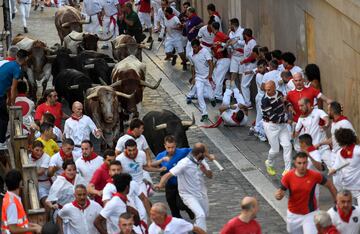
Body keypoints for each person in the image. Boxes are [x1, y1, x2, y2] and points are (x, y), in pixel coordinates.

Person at [155, 143, 214, 232]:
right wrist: (160, 184)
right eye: (204, 154)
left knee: (204, 215)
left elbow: (210, 176)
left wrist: (205, 170)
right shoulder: (184, 163)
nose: (205, 155)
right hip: (188, 194)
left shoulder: (202, 161)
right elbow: (168, 174)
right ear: (199, 154)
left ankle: (196, 229)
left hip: (202, 193)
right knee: (200, 215)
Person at [275, 152, 337, 234]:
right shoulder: (288, 176)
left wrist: (337, 201)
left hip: (310, 214)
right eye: (299, 163)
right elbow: (280, 191)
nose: (302, 166)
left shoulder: (314, 175)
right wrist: (278, 196)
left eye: (304, 163)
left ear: (307, 163)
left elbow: (330, 185)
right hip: (293, 214)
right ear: (295, 164)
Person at [102, 160, 151, 228]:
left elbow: (144, 199)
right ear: (109, 172)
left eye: (118, 170)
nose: (116, 172)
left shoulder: (132, 183)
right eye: (113, 170)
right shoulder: (107, 188)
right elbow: (106, 206)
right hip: (117, 224)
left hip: (134, 220)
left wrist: (151, 217)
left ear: (121, 170)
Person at [155, 135, 194, 218]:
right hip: (169, 185)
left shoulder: (183, 152)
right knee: (173, 208)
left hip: (182, 184)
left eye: (172, 147)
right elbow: (156, 166)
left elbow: (197, 150)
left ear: (175, 145)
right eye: (168, 147)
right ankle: (179, 226)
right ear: (164, 145)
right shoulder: (160, 156)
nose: (171, 150)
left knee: (181, 204)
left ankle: (189, 209)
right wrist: (160, 170)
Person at [261, 81, 292, 176]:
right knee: (275, 150)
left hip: (282, 124)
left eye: (269, 89)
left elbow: (284, 102)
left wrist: (289, 106)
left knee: (287, 145)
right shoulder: (265, 100)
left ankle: (287, 170)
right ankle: (269, 163)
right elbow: (273, 117)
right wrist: (287, 120)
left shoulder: (279, 93)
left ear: (274, 87)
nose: (267, 91)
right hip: (271, 126)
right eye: (266, 90)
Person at [0, 49, 28, 149]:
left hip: (2, 93)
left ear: (16, 56)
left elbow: (6, 81)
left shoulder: (8, 64)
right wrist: (12, 103)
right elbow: (13, 88)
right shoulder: (17, 69)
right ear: (26, 59)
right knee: (4, 118)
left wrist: (8, 98)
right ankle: (1, 141)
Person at [1, 169, 42, 233]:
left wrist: (33, 226)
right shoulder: (12, 203)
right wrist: (34, 229)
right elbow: (13, 229)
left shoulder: (10, 197)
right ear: (20, 183)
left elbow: (19, 222)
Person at [186, 39, 216, 122]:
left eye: (195, 47)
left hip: (207, 77)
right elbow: (192, 66)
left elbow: (211, 63)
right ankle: (204, 113)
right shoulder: (190, 54)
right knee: (199, 95)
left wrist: (210, 75)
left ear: (199, 46)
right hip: (199, 78)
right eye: (193, 48)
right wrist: (193, 77)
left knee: (210, 95)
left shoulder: (205, 51)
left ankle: (213, 99)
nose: (194, 49)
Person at [329, 128, 360, 204]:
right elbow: (336, 166)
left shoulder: (357, 150)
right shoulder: (340, 152)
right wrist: (332, 170)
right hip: (347, 188)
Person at [211, 21, 230, 102]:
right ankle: (216, 94)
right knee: (215, 76)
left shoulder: (219, 34)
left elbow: (228, 40)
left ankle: (218, 96)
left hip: (224, 59)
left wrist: (223, 47)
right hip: (219, 60)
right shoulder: (216, 35)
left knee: (219, 78)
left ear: (213, 27)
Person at [163, 6, 187, 70]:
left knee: (181, 53)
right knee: (167, 53)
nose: (163, 12)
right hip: (169, 38)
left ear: (167, 13)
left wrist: (175, 28)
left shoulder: (175, 18)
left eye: (164, 11)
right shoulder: (165, 18)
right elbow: (166, 26)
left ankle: (184, 63)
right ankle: (174, 56)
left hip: (177, 38)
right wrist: (164, 33)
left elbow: (181, 27)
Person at [29, 140, 51, 207]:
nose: (39, 153)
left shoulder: (46, 157)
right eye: (37, 150)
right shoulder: (28, 157)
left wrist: (29, 172)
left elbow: (41, 172)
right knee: (46, 204)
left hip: (48, 183)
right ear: (32, 149)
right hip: (38, 185)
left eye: (41, 150)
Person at [240, 28, 257, 108]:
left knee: (244, 84)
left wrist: (244, 61)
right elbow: (246, 52)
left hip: (251, 65)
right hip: (247, 65)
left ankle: (248, 103)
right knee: (245, 84)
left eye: (243, 35)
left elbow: (253, 55)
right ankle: (247, 102)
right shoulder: (247, 42)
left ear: (245, 35)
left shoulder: (252, 42)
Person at [251, 59, 267, 141]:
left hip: (260, 97)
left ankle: (257, 130)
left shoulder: (264, 74)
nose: (260, 69)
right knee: (261, 115)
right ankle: (260, 132)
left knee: (259, 115)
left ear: (265, 66)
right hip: (261, 97)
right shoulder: (259, 76)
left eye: (261, 67)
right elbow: (264, 88)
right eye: (259, 68)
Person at [228, 18, 245, 82]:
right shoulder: (230, 33)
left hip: (242, 56)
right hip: (234, 56)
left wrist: (237, 41)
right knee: (233, 74)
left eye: (230, 25)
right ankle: (233, 91)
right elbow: (229, 43)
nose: (229, 27)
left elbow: (246, 43)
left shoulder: (242, 31)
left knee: (241, 76)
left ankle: (241, 91)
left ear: (233, 25)